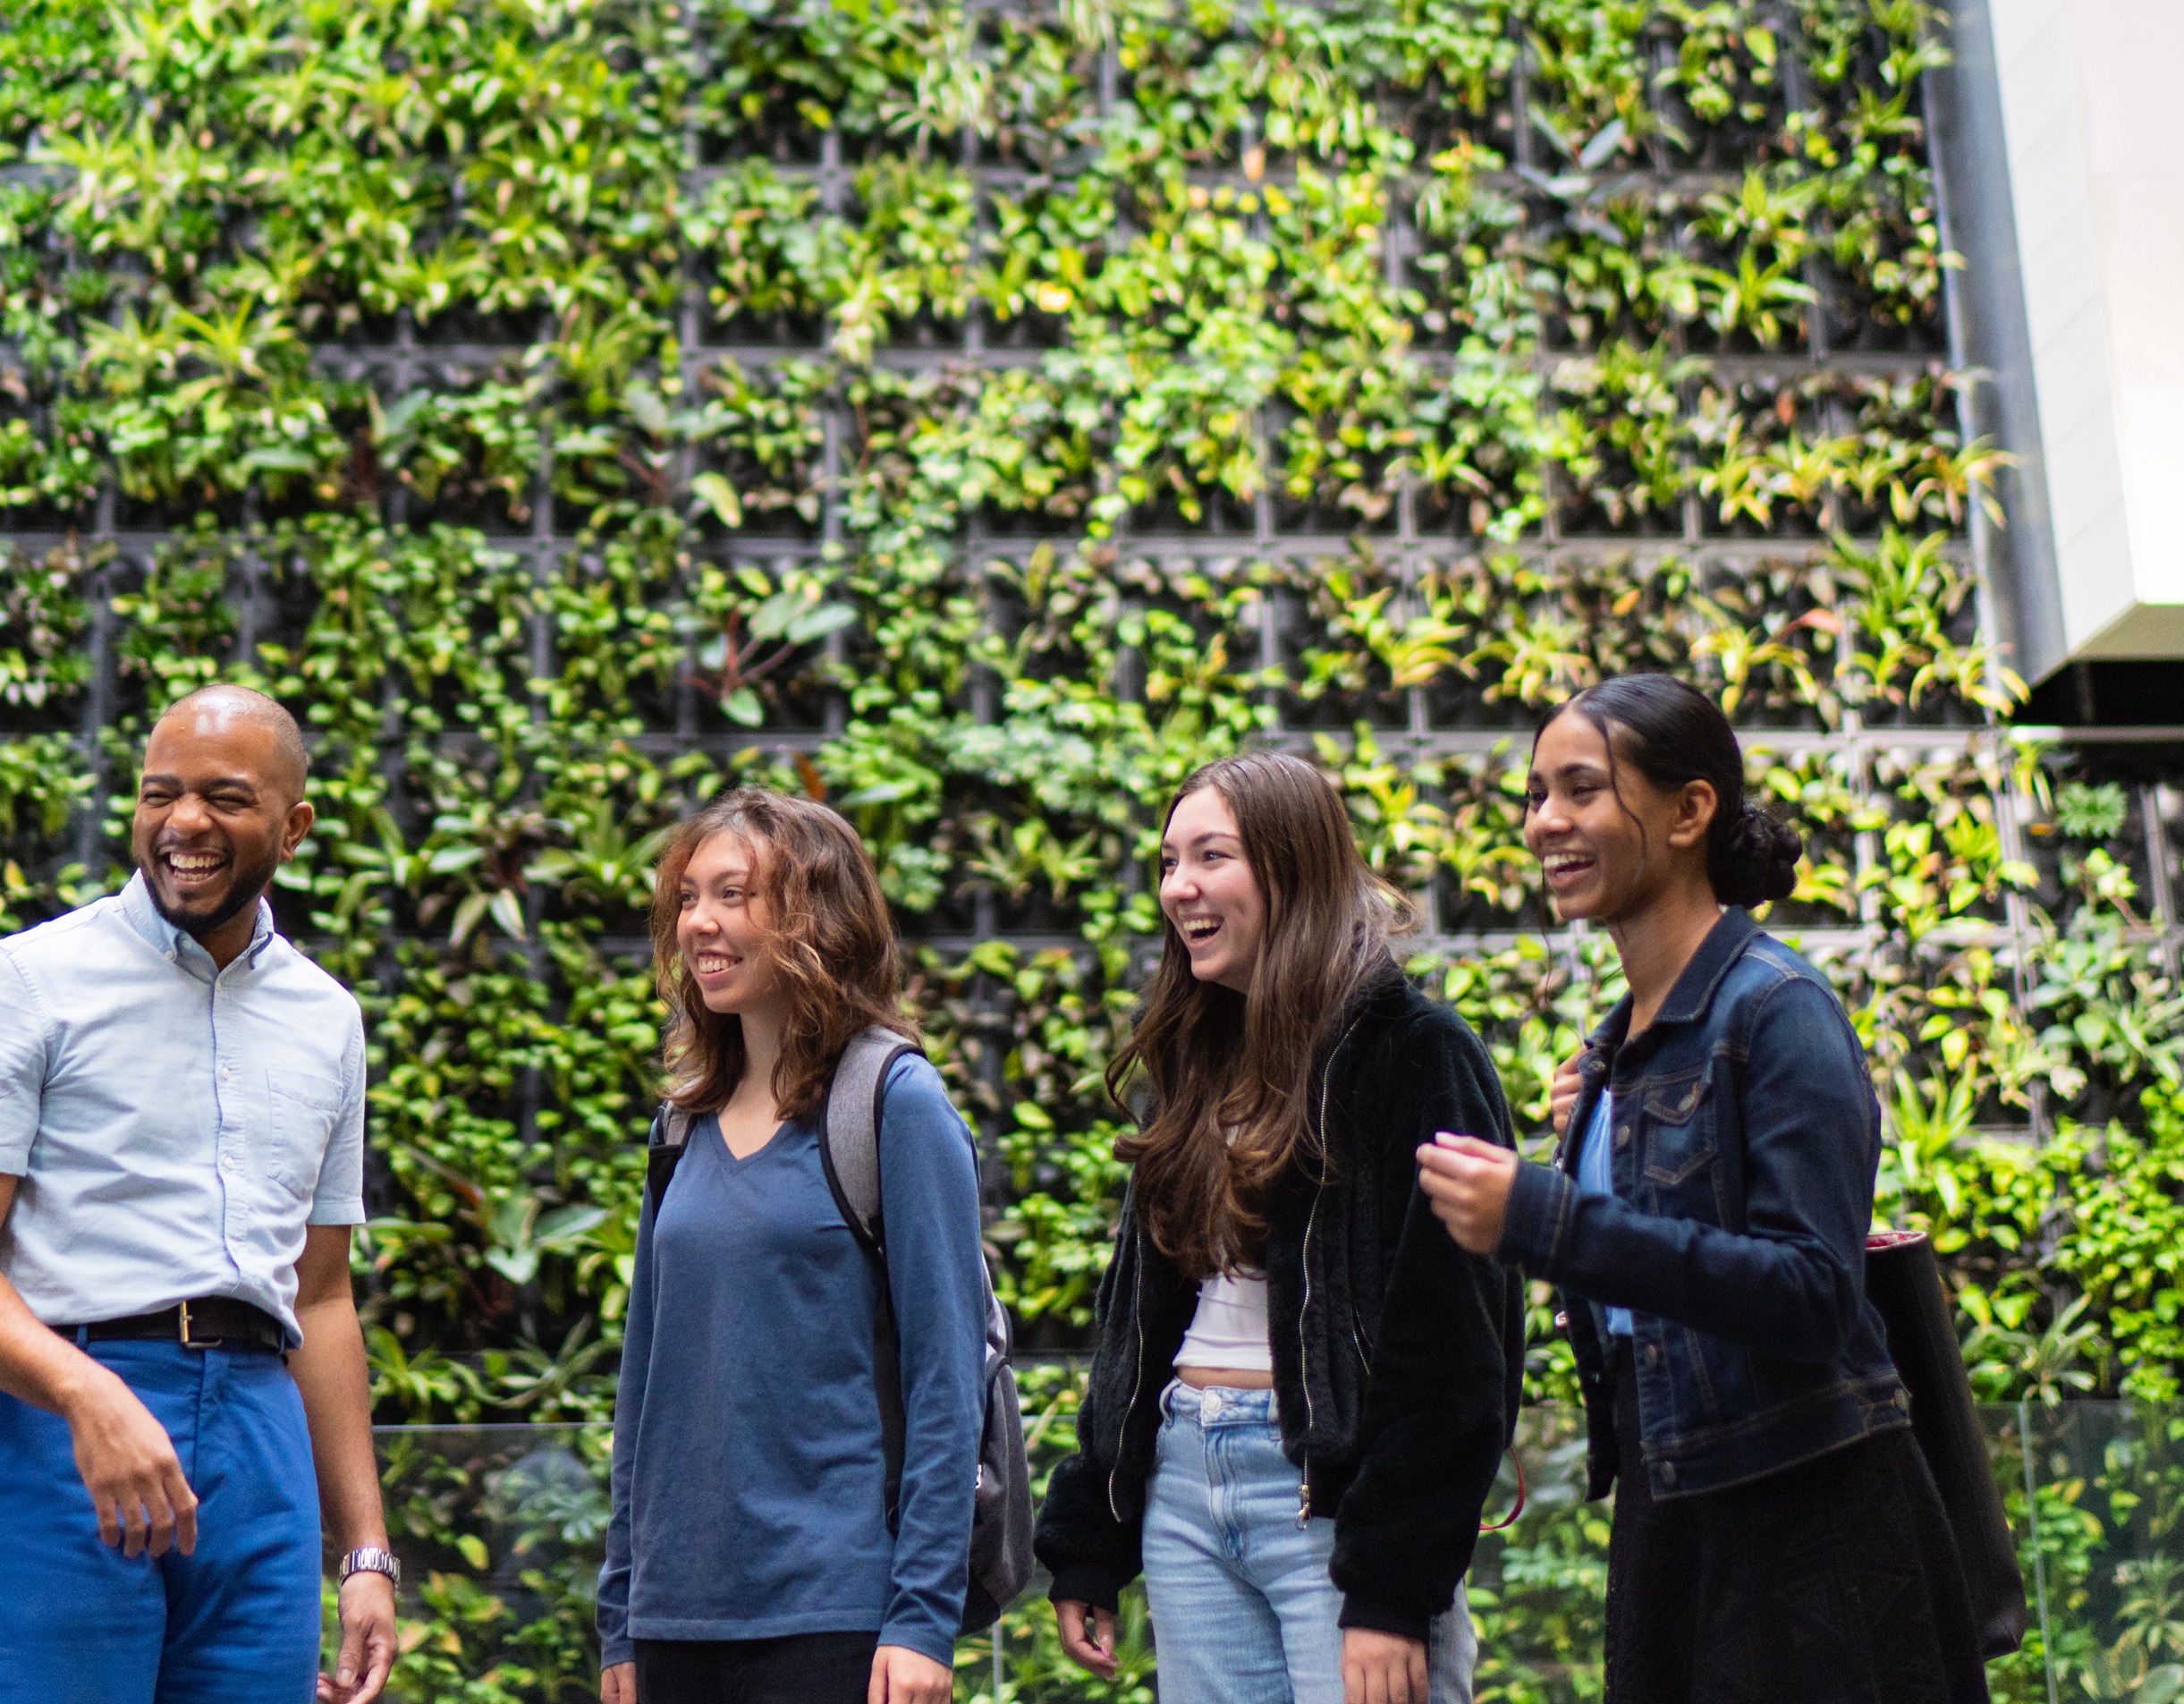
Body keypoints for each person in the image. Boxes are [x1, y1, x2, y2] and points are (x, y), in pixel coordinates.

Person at [1414, 673, 1988, 1704]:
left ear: (1689, 811)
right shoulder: (1613, 1054)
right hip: (1672, 1502)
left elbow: (1812, 1291)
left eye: (1580, 789)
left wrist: (1544, 1218)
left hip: (1808, 1522)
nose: (1545, 823)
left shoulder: (1778, 1011)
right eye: (1536, 795)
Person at [0, 682, 397, 1704]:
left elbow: (322, 1297)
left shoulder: (327, 1020)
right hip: (62, 1410)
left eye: (224, 798)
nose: (183, 824)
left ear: (293, 827)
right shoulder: (25, 981)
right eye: (158, 794)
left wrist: (366, 1553)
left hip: (260, 1430)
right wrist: (87, 1395)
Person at [1037, 751, 1517, 1704]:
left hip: (1330, 1508)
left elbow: (1458, 1344)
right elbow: (1134, 1319)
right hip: (1183, 1485)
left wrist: (1389, 1585)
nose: (1179, 888)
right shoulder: (1191, 1062)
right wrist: (1091, 1531)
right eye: (1168, 862)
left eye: (1210, 857)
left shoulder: (1416, 1054)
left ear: (1292, 867)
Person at [597, 788, 988, 1704]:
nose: (698, 922)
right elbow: (642, 1385)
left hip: (834, 1615)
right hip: (673, 1619)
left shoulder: (894, 1103)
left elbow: (947, 1379)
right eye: (688, 897)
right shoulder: (678, 1131)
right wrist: (620, 1613)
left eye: (733, 895)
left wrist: (922, 1616)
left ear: (814, 916)